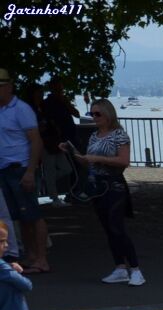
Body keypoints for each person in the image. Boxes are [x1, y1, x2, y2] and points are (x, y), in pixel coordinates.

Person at [61, 99, 145, 286]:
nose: (94, 117)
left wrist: (97, 158)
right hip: (97, 187)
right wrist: (72, 152)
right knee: (108, 229)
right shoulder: (94, 136)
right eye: (92, 114)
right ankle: (120, 267)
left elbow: (124, 161)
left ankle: (136, 269)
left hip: (114, 185)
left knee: (117, 228)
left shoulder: (119, 136)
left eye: (98, 114)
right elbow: (86, 161)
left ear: (108, 115)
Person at [0, 68, 50, 274]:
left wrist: (30, 170)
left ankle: (41, 259)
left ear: (9, 87)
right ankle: (30, 256)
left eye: (1, 87)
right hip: (4, 170)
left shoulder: (21, 109)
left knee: (33, 214)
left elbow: (35, 140)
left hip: (20, 168)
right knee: (17, 217)